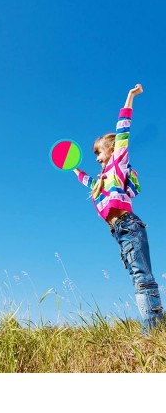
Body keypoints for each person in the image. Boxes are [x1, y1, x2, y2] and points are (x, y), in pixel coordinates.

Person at [73, 84, 163, 333]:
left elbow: (123, 129)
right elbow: (91, 184)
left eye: (98, 152)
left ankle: (153, 333)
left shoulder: (119, 162)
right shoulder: (103, 180)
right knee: (138, 278)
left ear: (112, 150)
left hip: (129, 226)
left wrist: (130, 97)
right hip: (119, 231)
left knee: (143, 279)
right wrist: (74, 168)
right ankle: (156, 329)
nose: (96, 158)